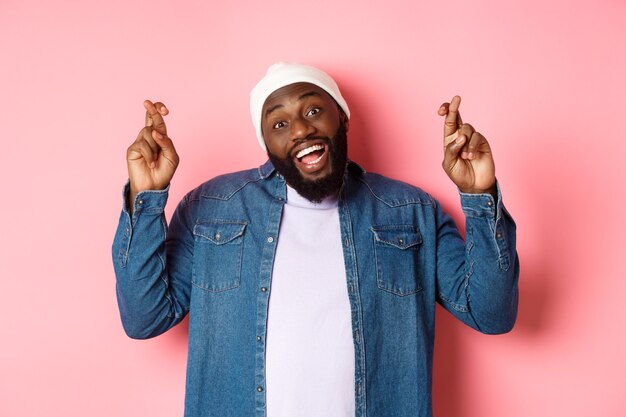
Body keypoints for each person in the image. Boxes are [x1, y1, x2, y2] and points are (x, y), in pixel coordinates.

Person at [112, 62, 519, 417]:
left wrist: (480, 195)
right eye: (279, 123)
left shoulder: (411, 211)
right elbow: (145, 318)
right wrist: (146, 198)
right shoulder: (213, 208)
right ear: (266, 143)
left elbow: (492, 314)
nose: (301, 129)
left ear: (342, 117)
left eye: (313, 109)